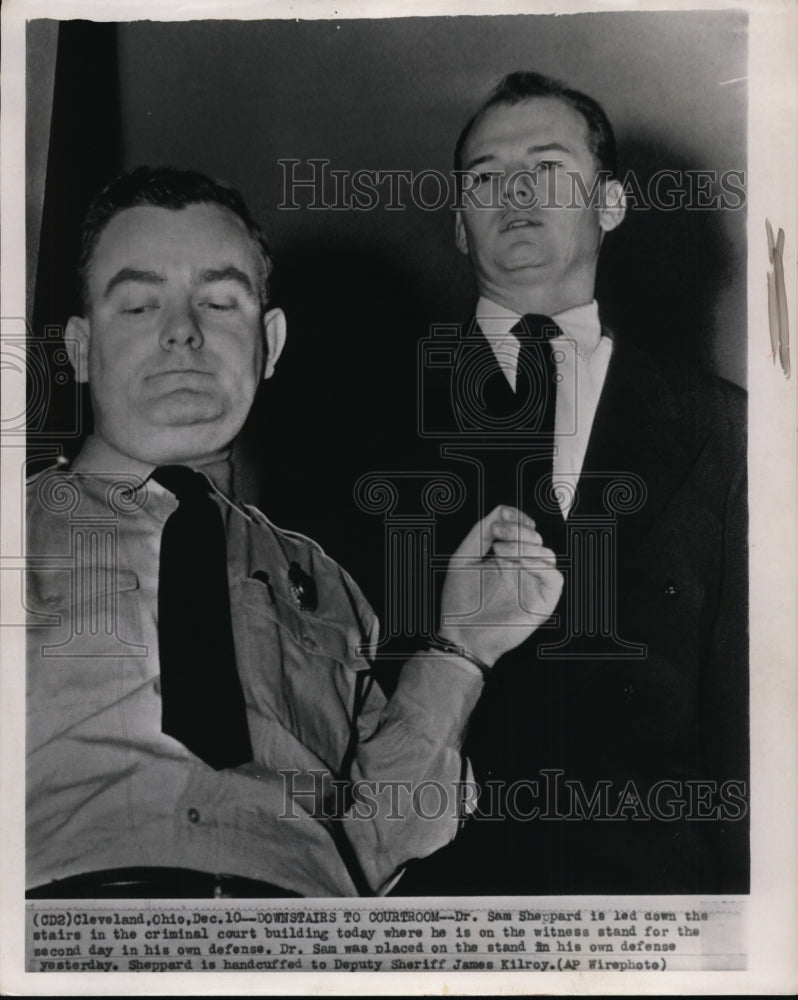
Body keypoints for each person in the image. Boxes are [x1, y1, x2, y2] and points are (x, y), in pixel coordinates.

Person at [25, 166, 563, 899]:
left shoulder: (327, 583)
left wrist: (463, 646)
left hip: (305, 943)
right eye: (140, 304)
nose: (182, 330)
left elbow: (383, 836)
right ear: (81, 349)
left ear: (270, 344)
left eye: (219, 301)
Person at [398, 71, 748, 895]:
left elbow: (745, 715)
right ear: (458, 224)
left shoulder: (723, 428)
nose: (515, 191)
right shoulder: (363, 416)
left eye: (548, 168)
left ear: (612, 204)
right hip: (431, 895)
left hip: (654, 902)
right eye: (485, 177)